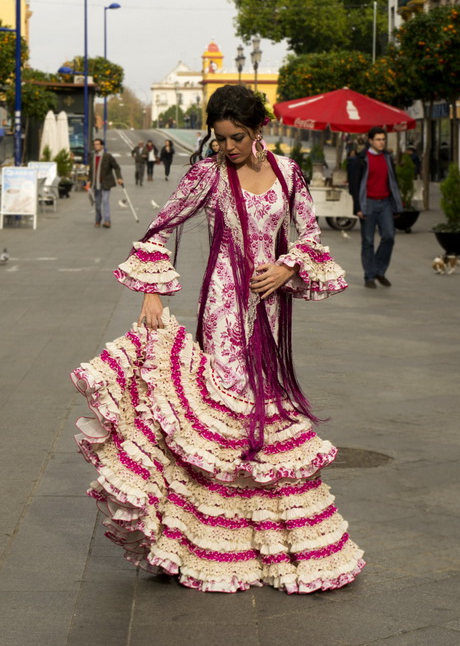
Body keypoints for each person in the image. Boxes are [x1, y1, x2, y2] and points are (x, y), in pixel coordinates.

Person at [72, 85, 364, 593]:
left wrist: (287, 265)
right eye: (220, 137)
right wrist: (153, 293)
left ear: (260, 131)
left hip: (271, 308)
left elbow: (310, 236)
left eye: (237, 137)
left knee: (265, 409)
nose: (227, 146)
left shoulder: (288, 173)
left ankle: (259, 536)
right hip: (224, 306)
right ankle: (206, 537)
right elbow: (157, 229)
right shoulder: (207, 174)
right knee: (228, 405)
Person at [348, 126, 403, 289]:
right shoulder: (361, 159)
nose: (381, 142)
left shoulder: (387, 158)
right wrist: (358, 207)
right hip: (368, 203)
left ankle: (379, 270)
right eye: (378, 139)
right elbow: (355, 185)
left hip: (385, 202)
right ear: (370, 141)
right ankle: (370, 276)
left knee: (389, 236)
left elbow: (393, 182)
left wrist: (396, 203)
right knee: (368, 241)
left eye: (383, 139)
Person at [87, 138, 123, 229]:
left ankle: (107, 220)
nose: (96, 146)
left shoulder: (108, 156)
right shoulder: (92, 156)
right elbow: (91, 170)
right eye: (94, 144)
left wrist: (119, 177)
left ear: (102, 146)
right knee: (97, 203)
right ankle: (98, 219)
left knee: (105, 201)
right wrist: (89, 180)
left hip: (106, 182)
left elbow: (116, 167)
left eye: (97, 144)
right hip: (96, 183)